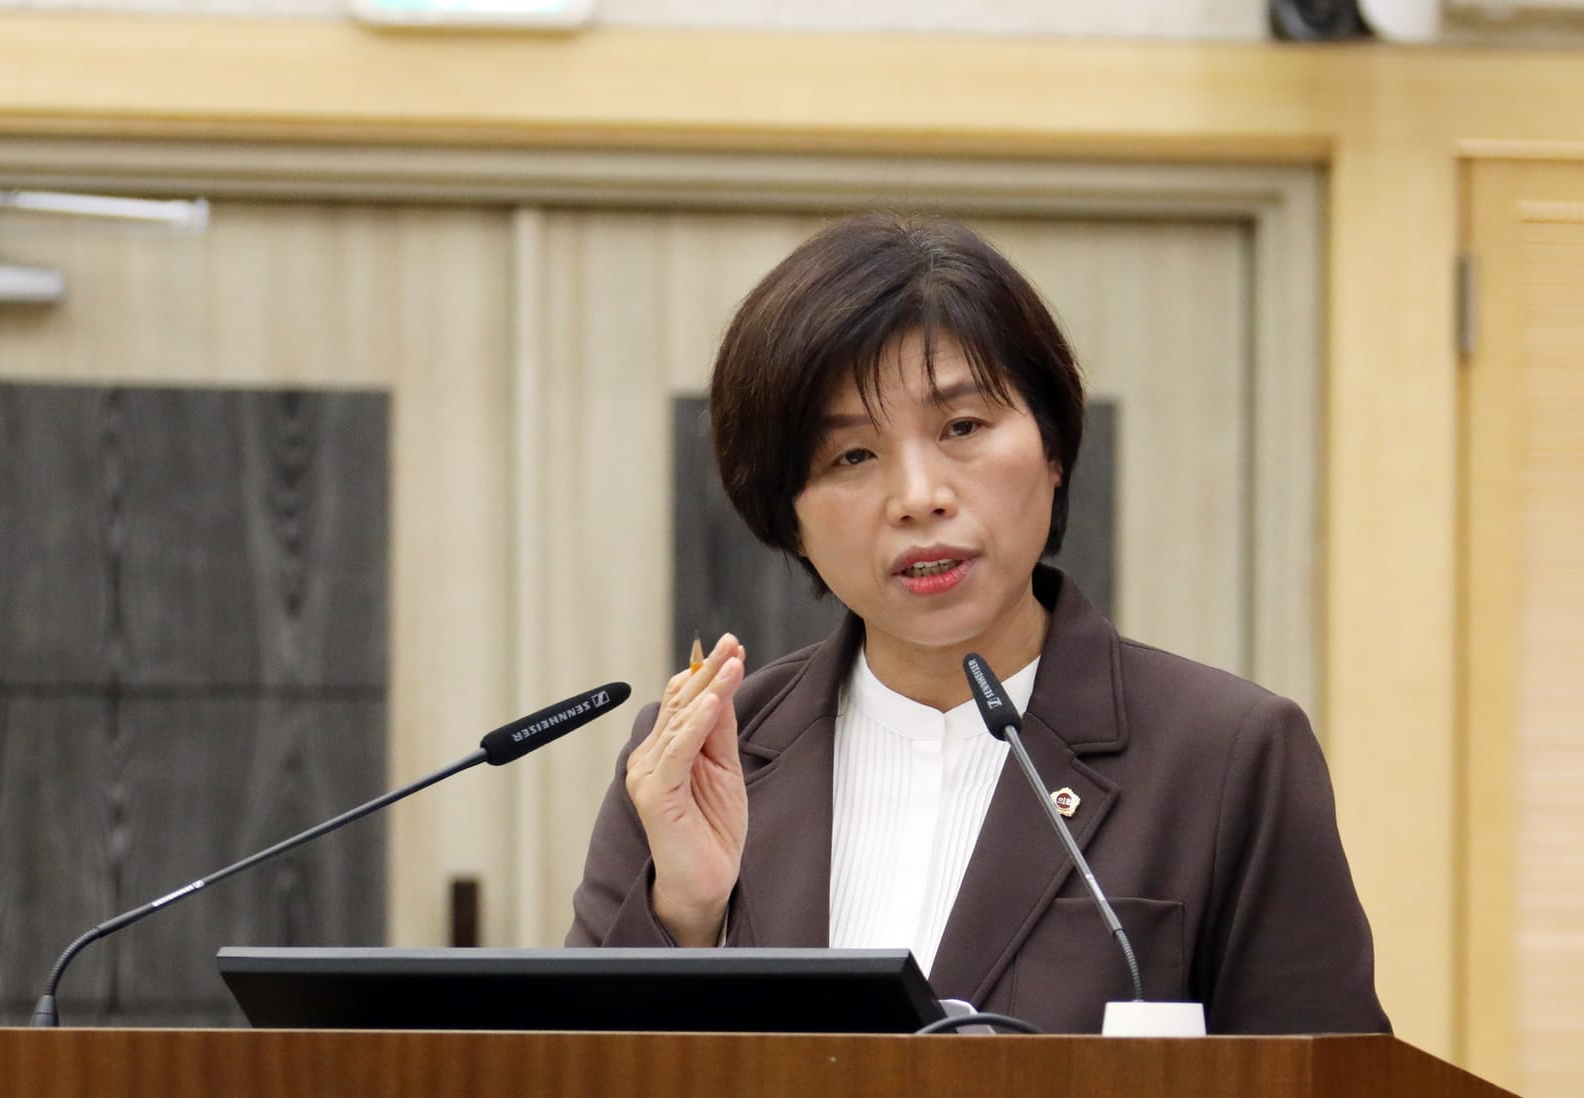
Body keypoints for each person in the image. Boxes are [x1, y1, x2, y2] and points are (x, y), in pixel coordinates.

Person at [567, 213, 1388, 1036]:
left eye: (962, 428)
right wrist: (686, 913)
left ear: (1054, 448)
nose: (919, 495)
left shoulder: (1226, 755)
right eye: (852, 456)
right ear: (789, 517)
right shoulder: (700, 760)